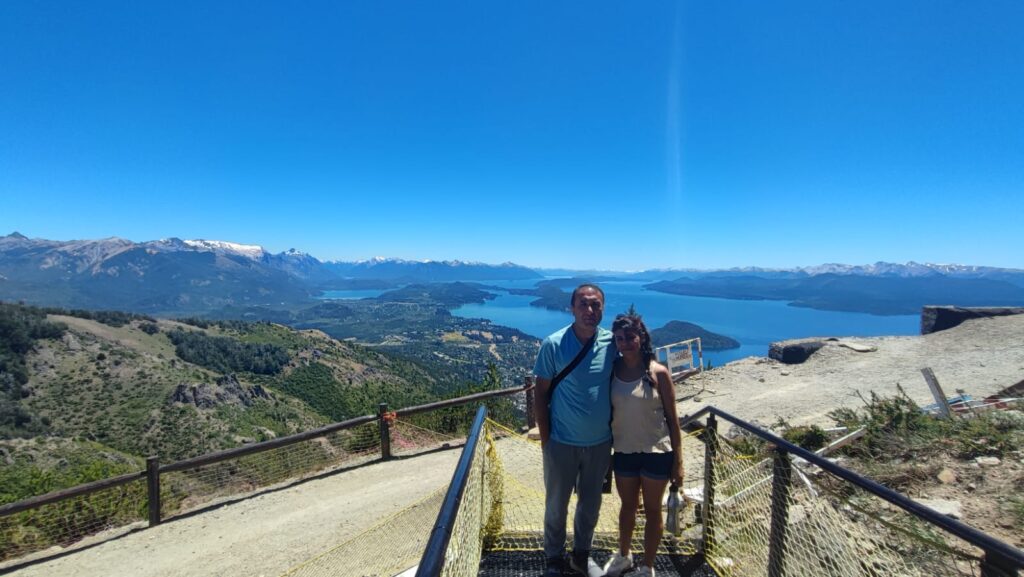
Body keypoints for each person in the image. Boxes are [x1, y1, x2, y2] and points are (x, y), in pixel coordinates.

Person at [533, 283, 616, 577]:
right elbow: (540, 394)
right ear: (572, 308)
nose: (590, 310)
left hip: (600, 444)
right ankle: (554, 558)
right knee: (556, 505)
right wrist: (546, 440)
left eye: (596, 305)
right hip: (561, 442)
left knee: (590, 506)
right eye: (584, 304)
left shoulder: (612, 343)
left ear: (603, 309)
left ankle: (581, 556)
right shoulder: (554, 345)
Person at [602, 313, 684, 577]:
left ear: (642, 337)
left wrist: (678, 461)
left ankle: (647, 566)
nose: (624, 342)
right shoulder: (612, 370)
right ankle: (624, 556)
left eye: (629, 337)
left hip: (656, 453)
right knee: (627, 508)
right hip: (623, 451)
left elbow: (673, 420)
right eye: (619, 338)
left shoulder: (658, 373)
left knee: (651, 510)